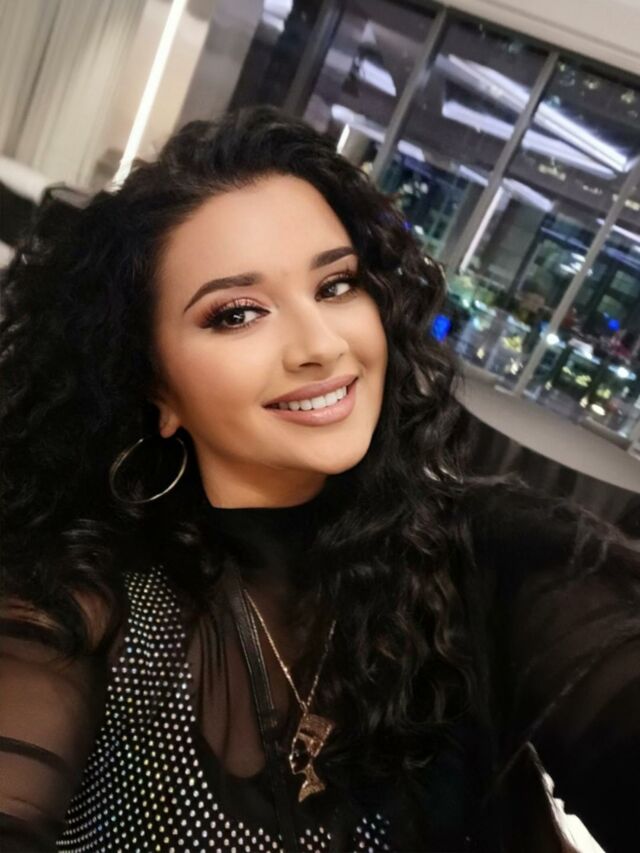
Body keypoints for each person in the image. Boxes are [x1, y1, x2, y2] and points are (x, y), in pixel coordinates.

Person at [0, 106, 638, 853]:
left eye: (335, 285)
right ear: (154, 386)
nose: (320, 344)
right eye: (238, 313)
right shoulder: (86, 592)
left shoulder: (483, 555)